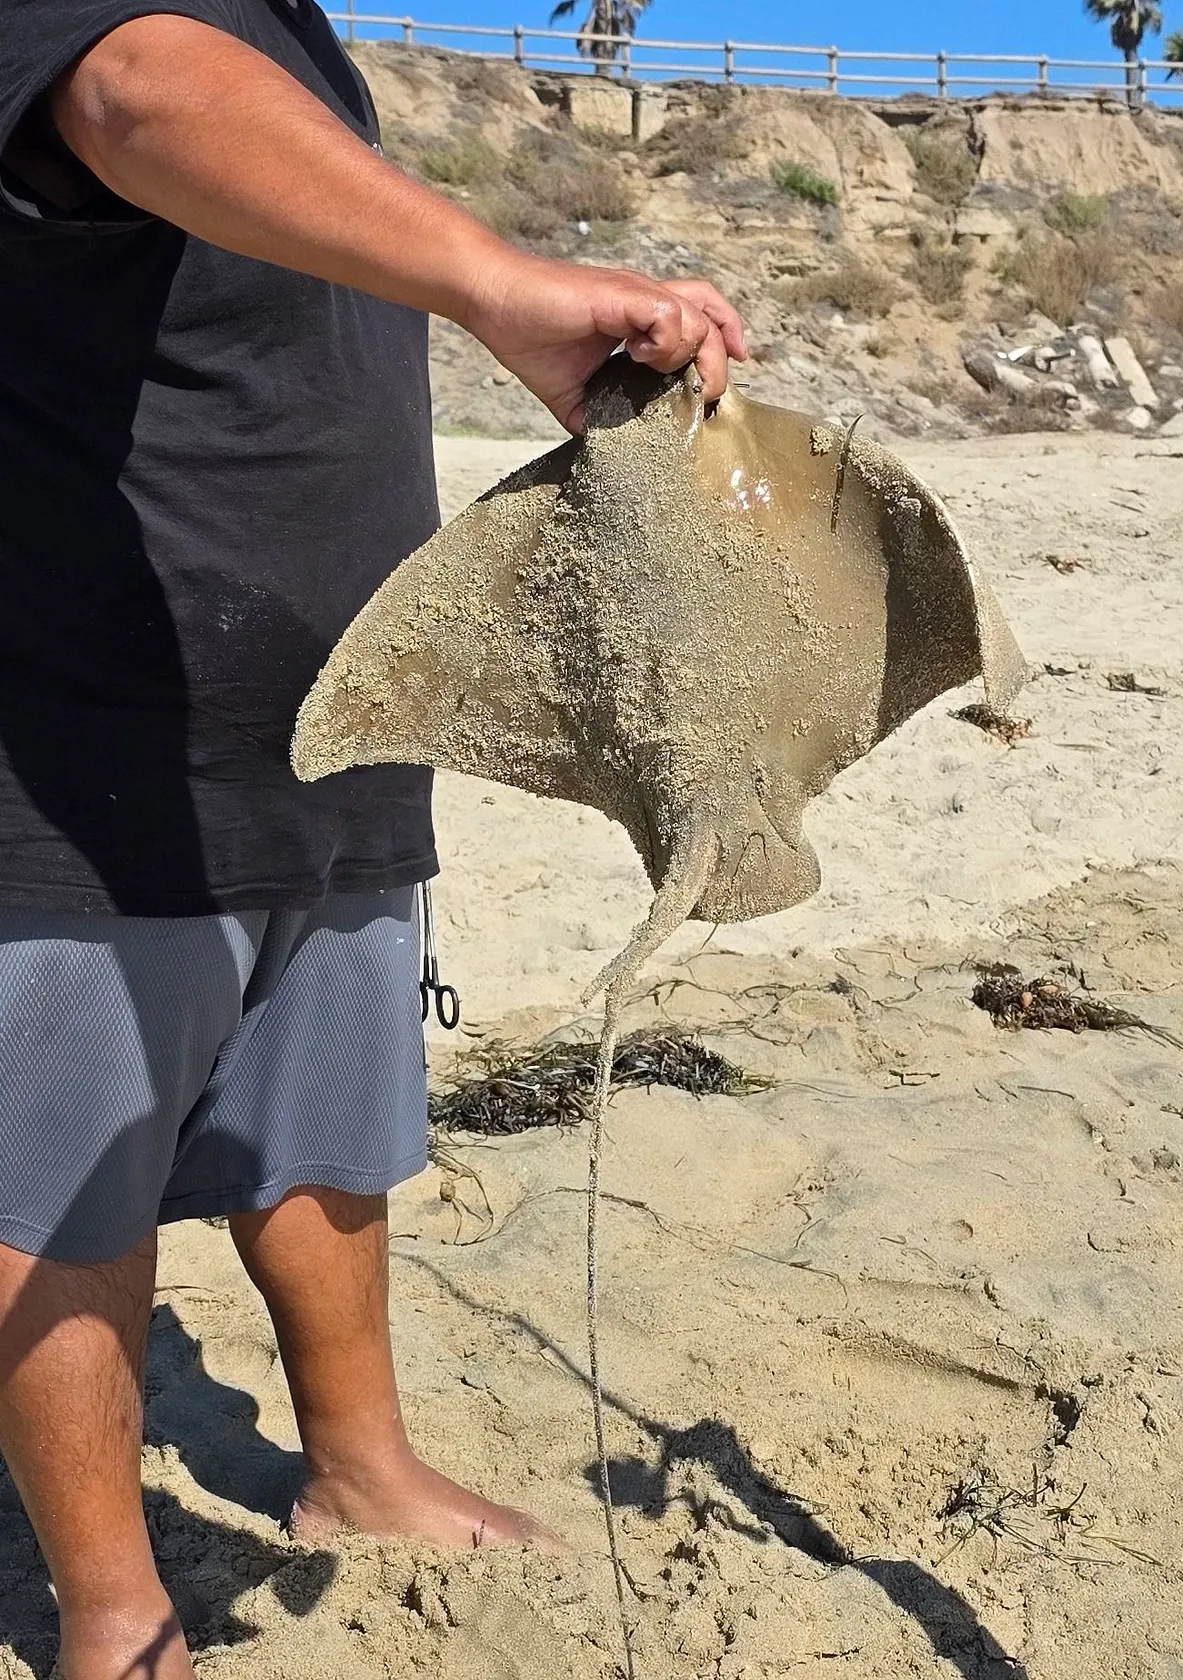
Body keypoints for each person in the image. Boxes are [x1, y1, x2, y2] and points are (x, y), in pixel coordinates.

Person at [0, 3, 746, 1676]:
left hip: (342, 717)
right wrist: (498, 279)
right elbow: (130, 90)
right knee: (61, 1183)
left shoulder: (295, 33)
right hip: (89, 738)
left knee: (322, 1122)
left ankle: (361, 1461)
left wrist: (523, 342)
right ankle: (116, 1614)